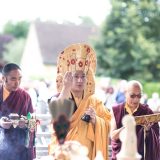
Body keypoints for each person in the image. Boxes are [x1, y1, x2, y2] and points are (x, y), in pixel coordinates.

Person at [48, 43, 111, 160]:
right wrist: (65, 88)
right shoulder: (58, 97)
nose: (80, 80)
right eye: (75, 76)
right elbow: (56, 119)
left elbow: (108, 123)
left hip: (87, 154)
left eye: (83, 76)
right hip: (65, 153)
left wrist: (95, 120)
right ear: (68, 77)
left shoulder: (94, 101)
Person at [110, 80, 160, 160]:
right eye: (132, 96)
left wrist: (147, 131)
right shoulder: (116, 110)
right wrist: (128, 126)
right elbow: (113, 136)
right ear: (125, 93)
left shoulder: (147, 111)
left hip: (140, 156)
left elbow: (156, 137)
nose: (136, 99)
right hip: (122, 155)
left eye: (139, 96)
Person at [0, 63, 36, 160]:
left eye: (19, 78)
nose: (17, 82)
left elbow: (32, 123)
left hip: (19, 149)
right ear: (3, 78)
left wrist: (25, 123)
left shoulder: (25, 97)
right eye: (13, 79)